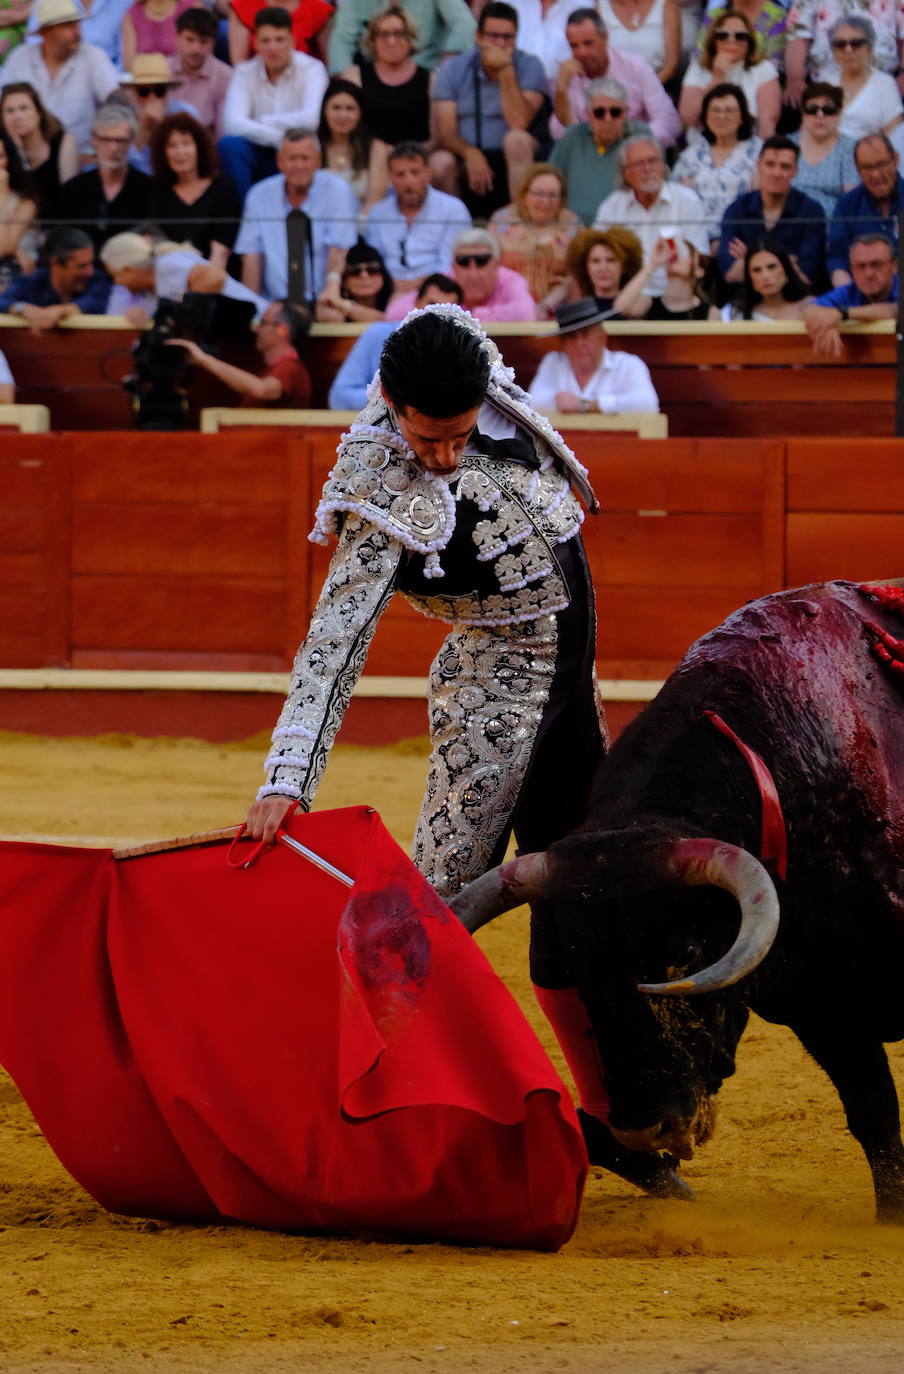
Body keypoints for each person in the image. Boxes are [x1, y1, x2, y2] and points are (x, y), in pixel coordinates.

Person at [244, 312, 607, 1105]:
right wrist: (287, 776)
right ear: (392, 403)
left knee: (584, 900)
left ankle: (616, 1118)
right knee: (434, 913)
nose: (443, 459)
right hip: (492, 699)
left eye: (458, 438)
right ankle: (363, 1096)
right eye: (427, 441)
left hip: (572, 690)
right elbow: (334, 641)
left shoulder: (467, 360)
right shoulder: (377, 488)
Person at [430, 1, 549, 216]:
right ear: (479, 36)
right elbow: (445, 132)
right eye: (493, 36)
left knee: (516, 140)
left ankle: (519, 221)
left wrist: (505, 69)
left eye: (508, 37)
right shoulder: (454, 68)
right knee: (439, 163)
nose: (500, 44)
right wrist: (470, 153)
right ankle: (456, 228)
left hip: (513, 157)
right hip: (467, 156)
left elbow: (519, 122)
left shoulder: (530, 65)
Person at [235, 127, 360, 304]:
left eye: (305, 158)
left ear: (318, 160)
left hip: (323, 298)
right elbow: (252, 257)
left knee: (329, 315)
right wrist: (250, 307)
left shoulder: (338, 191)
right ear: (279, 161)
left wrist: (329, 293)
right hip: (273, 302)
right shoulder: (259, 194)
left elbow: (339, 250)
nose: (299, 165)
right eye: (292, 158)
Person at [219, 6, 329, 197]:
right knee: (229, 146)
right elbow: (232, 124)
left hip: (299, 150)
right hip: (258, 149)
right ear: (256, 43)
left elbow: (311, 119)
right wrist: (277, 137)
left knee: (304, 150)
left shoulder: (312, 69)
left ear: (292, 41)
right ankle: (245, 217)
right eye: (265, 40)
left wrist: (264, 122)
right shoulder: (244, 72)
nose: (273, 47)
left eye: (279, 39)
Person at [593, 134, 710, 295]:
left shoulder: (686, 201)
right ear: (625, 173)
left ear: (663, 166)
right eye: (639, 164)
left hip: (674, 296)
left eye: (653, 161)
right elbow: (595, 256)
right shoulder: (612, 206)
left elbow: (700, 257)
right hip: (628, 298)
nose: (647, 169)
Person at [0, 0, 120, 154]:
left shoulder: (92, 56)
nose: (78, 33)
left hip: (81, 158)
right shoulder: (20, 58)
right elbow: (3, 102)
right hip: (26, 158)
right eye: (68, 26)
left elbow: (114, 95)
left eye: (77, 24)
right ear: (46, 32)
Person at [327, 271, 462, 407]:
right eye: (431, 306)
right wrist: (390, 400)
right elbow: (339, 397)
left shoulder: (461, 348)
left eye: (446, 312)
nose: (436, 317)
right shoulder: (378, 334)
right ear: (417, 302)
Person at [548, 7, 680, 146]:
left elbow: (668, 121)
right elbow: (558, 133)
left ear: (605, 38)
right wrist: (561, 91)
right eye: (574, 46)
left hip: (636, 153)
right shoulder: (567, 75)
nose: (582, 52)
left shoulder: (635, 66)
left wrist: (630, 144)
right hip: (592, 154)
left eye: (588, 43)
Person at [716, 136, 826, 290]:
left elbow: (806, 276)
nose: (776, 173)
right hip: (746, 301)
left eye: (785, 166)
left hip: (795, 302)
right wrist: (788, 263)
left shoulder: (811, 211)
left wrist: (749, 259)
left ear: (795, 171)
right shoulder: (737, 209)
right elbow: (729, 274)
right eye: (770, 164)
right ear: (759, 166)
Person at [364, 142, 471, 294]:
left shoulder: (453, 209)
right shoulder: (378, 213)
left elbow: (451, 264)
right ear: (390, 178)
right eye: (400, 175)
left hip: (438, 292)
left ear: (428, 173)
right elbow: (374, 262)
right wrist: (393, 285)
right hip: (388, 290)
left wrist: (417, 287)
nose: (408, 182)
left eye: (415, 172)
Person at [527, 293, 659, 414]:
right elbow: (532, 404)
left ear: (603, 337)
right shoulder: (553, 363)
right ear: (563, 344)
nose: (579, 343)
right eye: (571, 336)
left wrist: (586, 405)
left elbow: (648, 404)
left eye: (585, 334)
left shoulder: (627, 364)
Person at [166, 297, 314, 403]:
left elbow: (263, 390)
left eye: (263, 323)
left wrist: (205, 360)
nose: (256, 329)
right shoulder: (275, 368)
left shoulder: (291, 367)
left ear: (282, 330)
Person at [100, 228, 270, 318]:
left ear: (129, 270)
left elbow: (215, 277)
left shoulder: (168, 264)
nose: (117, 283)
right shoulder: (149, 290)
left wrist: (188, 312)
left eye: (116, 276)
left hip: (261, 320)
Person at [549, 77, 653, 226]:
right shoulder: (572, 136)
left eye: (615, 112)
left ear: (626, 113)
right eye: (599, 112)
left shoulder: (641, 137)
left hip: (625, 228)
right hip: (576, 230)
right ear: (588, 114)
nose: (608, 119)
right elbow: (550, 179)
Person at [53, 103, 153, 254]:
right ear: (94, 139)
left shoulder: (150, 189)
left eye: (120, 140)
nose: (113, 148)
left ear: (131, 140)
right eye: (106, 140)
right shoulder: (73, 191)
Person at [671, 83, 761, 247]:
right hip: (695, 237)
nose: (722, 116)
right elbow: (678, 199)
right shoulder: (691, 155)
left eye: (729, 110)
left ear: (742, 117)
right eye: (715, 110)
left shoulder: (757, 151)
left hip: (741, 237)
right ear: (705, 116)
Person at [784, 0, 904, 112]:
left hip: (886, 79)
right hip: (824, 82)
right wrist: (795, 80)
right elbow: (798, 34)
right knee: (792, 104)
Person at [487, 162, 581, 317]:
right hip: (507, 311)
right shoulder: (502, 221)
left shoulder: (572, 225)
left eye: (553, 195)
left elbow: (577, 277)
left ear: (562, 198)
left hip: (560, 312)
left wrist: (545, 306)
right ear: (525, 195)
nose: (545, 201)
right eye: (539, 194)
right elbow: (490, 269)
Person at [385, 226, 538, 319]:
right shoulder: (445, 280)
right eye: (464, 262)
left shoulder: (510, 279)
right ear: (454, 266)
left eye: (482, 261)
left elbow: (525, 313)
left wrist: (464, 317)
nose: (473, 273)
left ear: (496, 264)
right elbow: (395, 313)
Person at [149, 112, 241, 265]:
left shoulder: (223, 186)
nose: (180, 152)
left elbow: (221, 253)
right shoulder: (156, 189)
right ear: (163, 152)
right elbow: (153, 242)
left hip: (215, 277)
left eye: (186, 143)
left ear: (199, 147)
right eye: (172, 145)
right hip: (169, 277)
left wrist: (203, 285)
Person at [337, 6, 432, 148]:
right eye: (383, 34)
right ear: (373, 41)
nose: (391, 41)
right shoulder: (354, 77)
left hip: (415, 158)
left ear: (410, 37)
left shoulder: (431, 79)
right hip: (367, 157)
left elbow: (437, 137)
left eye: (399, 33)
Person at [827, 132, 904, 283]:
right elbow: (837, 256)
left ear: (896, 160)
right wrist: (843, 287)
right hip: (864, 293)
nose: (875, 174)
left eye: (881, 164)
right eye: (867, 167)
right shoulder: (847, 205)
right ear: (857, 169)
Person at [679, 8, 779, 139]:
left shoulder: (764, 68)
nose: (731, 40)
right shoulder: (698, 68)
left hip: (749, 146)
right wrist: (717, 78)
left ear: (749, 42)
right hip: (703, 146)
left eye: (740, 36)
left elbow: (767, 125)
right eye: (723, 35)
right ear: (714, 41)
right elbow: (688, 118)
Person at [802, 230, 897, 356]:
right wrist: (826, 323)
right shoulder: (849, 291)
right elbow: (807, 309)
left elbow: (897, 310)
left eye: (877, 265)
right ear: (851, 269)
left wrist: (841, 314)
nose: (869, 274)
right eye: (860, 266)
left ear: (894, 266)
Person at [0, 226, 110, 330]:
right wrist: (23, 308)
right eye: (82, 266)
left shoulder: (98, 280)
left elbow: (93, 303)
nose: (90, 272)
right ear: (55, 263)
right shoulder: (32, 281)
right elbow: (3, 301)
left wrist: (60, 311)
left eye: (91, 263)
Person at [327, 0, 476, 74]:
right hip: (374, 80)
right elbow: (341, 40)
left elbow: (466, 26)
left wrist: (444, 69)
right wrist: (347, 78)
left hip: (427, 74)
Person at [0, 82, 80, 210]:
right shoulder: (2, 149)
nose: (17, 116)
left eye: (23, 108)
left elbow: (69, 195)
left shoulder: (62, 142)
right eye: (10, 111)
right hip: (14, 222)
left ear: (38, 113)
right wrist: (17, 152)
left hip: (56, 221)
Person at [826, 14, 904, 142]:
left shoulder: (885, 84)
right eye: (840, 44)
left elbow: (894, 135)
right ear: (834, 52)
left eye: (856, 43)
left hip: (871, 158)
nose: (848, 50)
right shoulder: (825, 83)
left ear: (870, 48)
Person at [316, 77, 389, 213]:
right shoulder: (313, 144)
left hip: (363, 225)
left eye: (350, 109)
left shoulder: (375, 147)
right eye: (336, 108)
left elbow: (375, 201)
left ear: (360, 113)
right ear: (324, 110)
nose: (343, 115)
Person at [119, 52, 200, 174]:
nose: (152, 99)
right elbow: (120, 170)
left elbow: (193, 162)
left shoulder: (186, 113)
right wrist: (143, 130)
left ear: (168, 92)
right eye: (143, 92)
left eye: (159, 91)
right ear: (133, 93)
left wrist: (163, 127)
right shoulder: (122, 119)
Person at [789, 81, 858, 215]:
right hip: (789, 225)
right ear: (803, 113)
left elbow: (852, 199)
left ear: (839, 113)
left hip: (831, 227)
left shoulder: (850, 147)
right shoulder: (787, 145)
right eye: (812, 109)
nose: (820, 115)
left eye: (828, 110)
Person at [613, 234, 720, 317]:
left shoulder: (711, 313)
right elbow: (620, 308)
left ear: (699, 270)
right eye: (674, 253)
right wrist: (652, 264)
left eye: (684, 253)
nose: (675, 256)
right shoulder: (650, 305)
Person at [168, 8, 233, 137]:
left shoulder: (225, 77)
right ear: (177, 38)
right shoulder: (163, 70)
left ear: (213, 43)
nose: (196, 48)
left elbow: (222, 132)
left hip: (206, 149)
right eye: (190, 40)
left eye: (204, 42)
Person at [719, 237, 814, 319]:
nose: (765, 276)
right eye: (757, 270)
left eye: (772, 267)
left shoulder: (811, 306)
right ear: (749, 277)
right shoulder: (737, 314)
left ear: (786, 270)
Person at [596, 0, 681, 83]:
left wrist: (648, 88)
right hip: (609, 88)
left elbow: (672, 64)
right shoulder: (600, 8)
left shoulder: (667, 6)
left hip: (656, 86)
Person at [564, 223, 643, 309]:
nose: (603, 268)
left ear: (624, 266)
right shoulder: (579, 311)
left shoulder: (638, 306)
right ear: (586, 268)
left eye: (610, 260)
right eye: (595, 261)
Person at [693, 0, 787, 70]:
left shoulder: (777, 15)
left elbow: (774, 65)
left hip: (759, 85)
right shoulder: (714, 15)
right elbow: (698, 59)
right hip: (715, 80)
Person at [229, 0, 334, 63]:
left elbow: (330, 61)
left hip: (303, 82)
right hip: (255, 82)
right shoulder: (243, 5)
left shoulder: (319, 10)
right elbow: (239, 60)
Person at [315, 238, 394, 320]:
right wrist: (334, 275)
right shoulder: (336, 309)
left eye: (372, 270)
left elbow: (388, 320)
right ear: (344, 280)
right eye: (355, 271)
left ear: (383, 275)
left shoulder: (396, 301)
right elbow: (328, 318)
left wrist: (342, 304)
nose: (364, 275)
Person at [0, 129, 39, 288]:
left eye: (0, 156)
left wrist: (2, 194)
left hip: (12, 281)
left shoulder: (25, 203)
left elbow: (3, 247)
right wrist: (18, 252)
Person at [121, 0, 198, 68]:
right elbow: (128, 63)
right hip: (146, 81)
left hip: (184, 80)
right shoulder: (132, 14)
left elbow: (197, 54)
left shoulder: (190, 7)